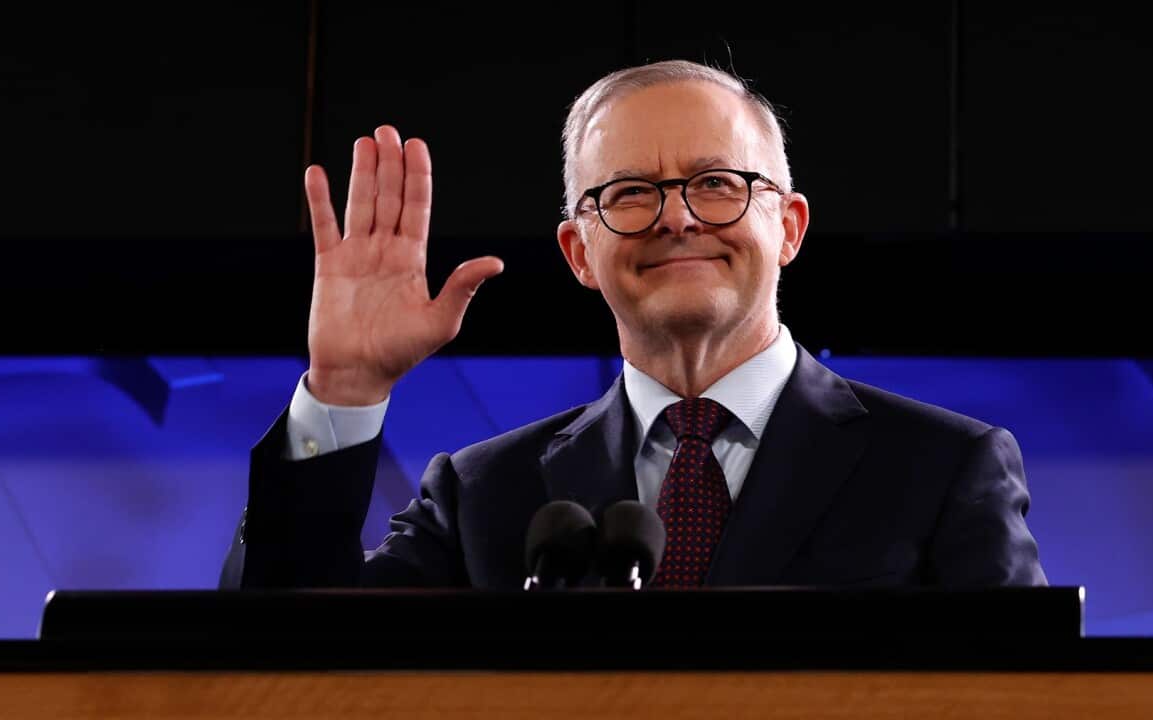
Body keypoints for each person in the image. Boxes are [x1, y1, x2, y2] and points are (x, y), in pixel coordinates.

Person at [220, 60, 1046, 590]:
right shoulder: (482, 495)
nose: (676, 219)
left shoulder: (943, 470)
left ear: (789, 227)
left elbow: (1028, 705)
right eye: (628, 194)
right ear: (579, 252)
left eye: (717, 183)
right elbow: (287, 659)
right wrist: (345, 391)